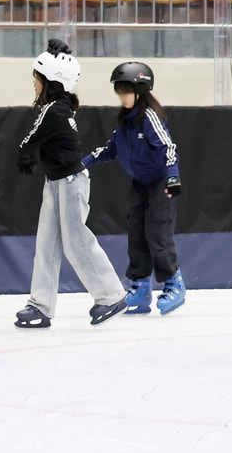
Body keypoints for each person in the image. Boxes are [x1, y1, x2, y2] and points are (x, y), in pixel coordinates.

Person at [15, 39, 128, 329]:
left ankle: (111, 295)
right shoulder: (58, 106)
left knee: (77, 242)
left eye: (37, 78)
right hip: (56, 182)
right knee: (47, 245)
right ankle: (40, 305)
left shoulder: (55, 110)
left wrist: (25, 153)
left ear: (51, 80)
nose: (33, 83)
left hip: (70, 183)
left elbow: (30, 140)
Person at [81, 61, 186, 316]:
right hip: (140, 184)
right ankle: (140, 288)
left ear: (140, 90)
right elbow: (110, 149)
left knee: (158, 234)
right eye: (119, 90)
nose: (122, 95)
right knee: (136, 235)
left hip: (160, 183)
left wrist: (173, 177)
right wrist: (81, 164)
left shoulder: (149, 117)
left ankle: (174, 284)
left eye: (126, 90)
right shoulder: (125, 122)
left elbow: (168, 147)